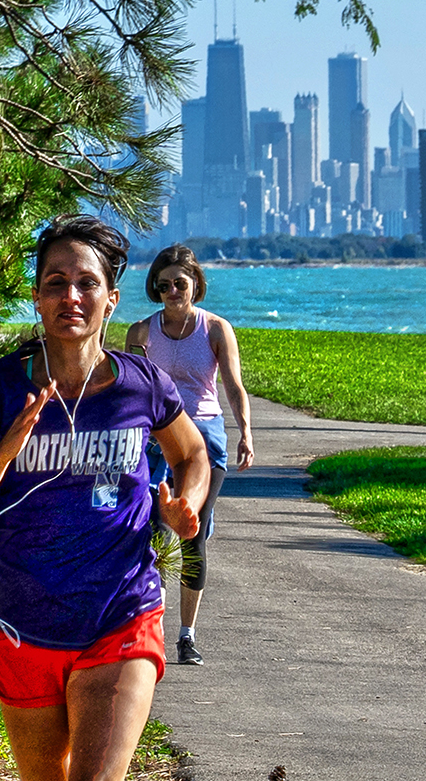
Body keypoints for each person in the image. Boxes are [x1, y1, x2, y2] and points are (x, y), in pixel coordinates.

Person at [0, 214, 208, 781]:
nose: (71, 296)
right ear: (36, 298)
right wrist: (5, 454)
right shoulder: (0, 388)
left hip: (122, 615)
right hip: (21, 622)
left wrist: (188, 504)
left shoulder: (142, 384)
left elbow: (191, 454)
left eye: (86, 283)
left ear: (111, 300)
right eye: (55, 282)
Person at [125, 245, 255, 667]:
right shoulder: (142, 333)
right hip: (157, 437)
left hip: (205, 436)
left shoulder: (215, 329)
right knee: (151, 532)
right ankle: (151, 629)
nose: (172, 292)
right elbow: (129, 392)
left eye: (179, 283)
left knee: (192, 533)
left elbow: (233, 386)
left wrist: (245, 434)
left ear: (195, 285)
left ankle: (187, 635)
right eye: (163, 286)